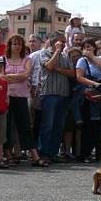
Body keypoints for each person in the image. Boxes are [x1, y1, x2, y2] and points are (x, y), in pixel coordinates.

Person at [4, 34, 45, 166]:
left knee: (25, 126)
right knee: (8, 126)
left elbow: (26, 75)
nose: (16, 46)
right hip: (7, 96)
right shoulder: (3, 60)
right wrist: (18, 77)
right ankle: (8, 154)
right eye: (14, 44)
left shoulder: (27, 59)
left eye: (19, 44)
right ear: (10, 45)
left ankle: (34, 155)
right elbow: (0, 76)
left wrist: (9, 76)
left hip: (21, 96)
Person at [37, 33, 75, 164]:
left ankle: (53, 152)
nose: (64, 44)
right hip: (49, 93)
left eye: (64, 42)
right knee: (47, 124)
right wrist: (57, 51)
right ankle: (43, 153)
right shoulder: (44, 53)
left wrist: (58, 69)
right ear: (54, 42)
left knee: (58, 125)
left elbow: (72, 73)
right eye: (61, 42)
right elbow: (49, 66)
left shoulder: (66, 56)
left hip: (63, 94)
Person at [75, 39, 101, 163]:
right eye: (85, 47)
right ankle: (86, 153)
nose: (87, 49)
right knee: (88, 126)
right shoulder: (81, 61)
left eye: (89, 46)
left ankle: (99, 152)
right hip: (88, 96)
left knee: (100, 126)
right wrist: (95, 84)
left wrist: (92, 58)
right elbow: (79, 77)